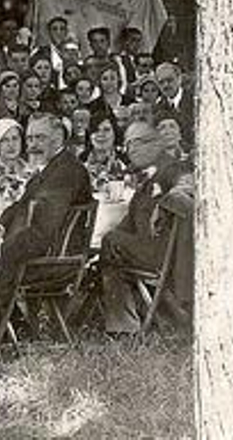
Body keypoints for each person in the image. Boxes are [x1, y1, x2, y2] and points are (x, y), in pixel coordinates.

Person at [0, 112, 93, 340]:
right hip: (45, 253)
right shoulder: (48, 170)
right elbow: (18, 206)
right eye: (31, 138)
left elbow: (43, 232)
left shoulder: (66, 172)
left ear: (58, 139)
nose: (32, 145)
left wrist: (3, 250)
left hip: (54, 261)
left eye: (40, 138)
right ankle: (13, 328)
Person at [100, 121, 194, 334]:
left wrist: (163, 205)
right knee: (111, 242)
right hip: (146, 245)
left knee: (110, 243)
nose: (131, 151)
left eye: (136, 144)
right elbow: (132, 217)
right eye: (128, 145)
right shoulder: (147, 174)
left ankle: (124, 326)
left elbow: (187, 186)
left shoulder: (173, 167)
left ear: (154, 145)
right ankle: (135, 319)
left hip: (163, 252)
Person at [153, 63, 194, 147]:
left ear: (179, 79)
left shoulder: (194, 101)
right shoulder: (157, 108)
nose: (166, 85)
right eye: (161, 82)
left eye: (169, 80)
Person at [82, 115, 124, 180]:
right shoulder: (79, 161)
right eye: (96, 130)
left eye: (106, 130)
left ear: (115, 133)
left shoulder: (126, 161)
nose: (101, 134)